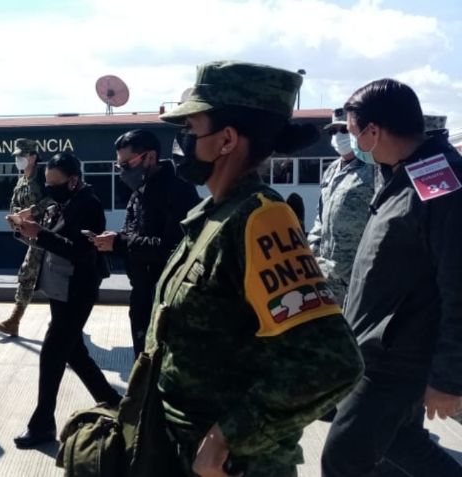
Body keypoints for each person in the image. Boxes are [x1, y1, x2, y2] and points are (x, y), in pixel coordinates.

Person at [152, 61, 363, 477]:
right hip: (182, 447)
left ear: (227, 139)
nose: (181, 143)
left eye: (191, 131)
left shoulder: (261, 219)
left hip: (234, 465)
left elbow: (331, 362)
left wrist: (226, 437)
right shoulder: (213, 214)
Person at [321, 80, 462, 477]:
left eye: (352, 132)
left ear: (373, 131)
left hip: (397, 360)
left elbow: (458, 282)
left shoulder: (440, 185)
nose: (352, 142)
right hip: (379, 350)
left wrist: (449, 378)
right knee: (404, 445)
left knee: (342, 457)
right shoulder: (402, 173)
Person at [11, 152, 122, 448]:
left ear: (73, 181)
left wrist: (40, 234)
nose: (50, 188)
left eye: (55, 183)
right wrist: (24, 229)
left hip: (77, 289)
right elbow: (46, 240)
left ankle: (42, 425)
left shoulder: (88, 205)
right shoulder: (62, 202)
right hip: (61, 289)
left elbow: (78, 250)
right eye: (47, 183)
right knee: (74, 353)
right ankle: (113, 403)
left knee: (52, 355)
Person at [91, 129, 200, 357]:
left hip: (168, 301)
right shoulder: (138, 192)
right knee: (142, 366)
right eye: (118, 164)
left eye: (126, 163)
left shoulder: (178, 190)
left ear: (150, 157)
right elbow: (130, 235)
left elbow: (174, 248)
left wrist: (120, 243)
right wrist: (110, 242)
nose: (122, 170)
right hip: (142, 294)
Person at [306, 108, 374, 304]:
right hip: (327, 273)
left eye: (343, 131)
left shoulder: (374, 169)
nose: (337, 136)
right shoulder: (331, 170)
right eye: (333, 132)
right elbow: (321, 214)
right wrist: (313, 250)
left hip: (358, 274)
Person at [0, 138, 51, 337]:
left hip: (50, 235)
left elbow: (55, 200)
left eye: (22, 155)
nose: (18, 159)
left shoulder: (44, 177)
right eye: (17, 156)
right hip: (32, 237)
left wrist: (30, 211)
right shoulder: (21, 179)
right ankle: (14, 321)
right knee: (28, 275)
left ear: (33, 157)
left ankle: (17, 320)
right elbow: (14, 203)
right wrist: (14, 217)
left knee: (46, 276)